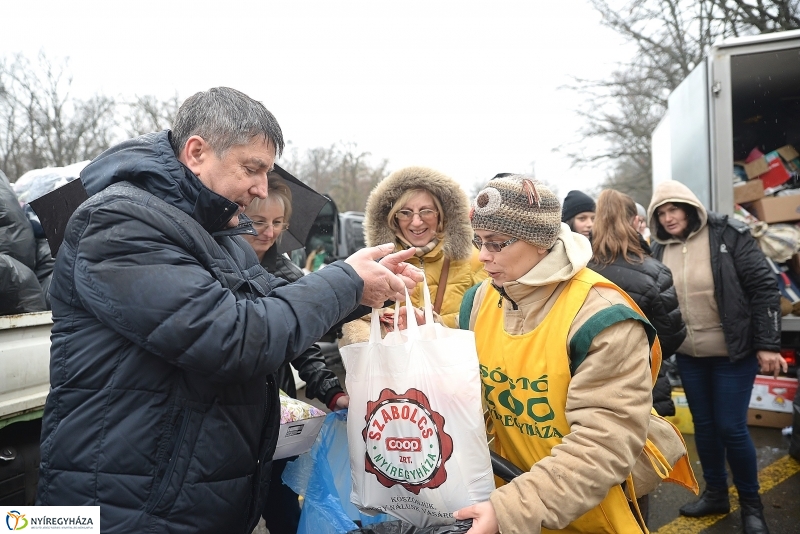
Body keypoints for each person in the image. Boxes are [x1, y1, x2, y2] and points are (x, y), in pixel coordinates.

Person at [35, 87, 422, 534]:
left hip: (184, 493)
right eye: (251, 169)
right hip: (128, 501)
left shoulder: (214, 229)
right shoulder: (120, 221)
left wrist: (361, 297)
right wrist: (345, 283)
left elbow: (269, 301)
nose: (261, 189)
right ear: (197, 152)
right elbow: (232, 338)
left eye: (267, 171)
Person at [452, 174, 654, 534]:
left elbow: (602, 446)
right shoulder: (481, 298)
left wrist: (512, 509)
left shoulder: (602, 317)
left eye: (497, 243)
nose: (482, 256)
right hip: (504, 501)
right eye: (479, 241)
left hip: (587, 511)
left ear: (541, 242)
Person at [648, 180, 786, 534]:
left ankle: (752, 506)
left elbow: (763, 287)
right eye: (661, 213)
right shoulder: (658, 248)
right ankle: (716, 494)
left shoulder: (728, 234)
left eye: (673, 209)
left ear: (689, 207)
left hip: (733, 353)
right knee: (705, 429)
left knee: (731, 427)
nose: (668, 217)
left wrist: (768, 343)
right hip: (691, 356)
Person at [242, 173, 349, 534]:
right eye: (258, 222)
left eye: (276, 223)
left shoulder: (289, 275)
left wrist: (331, 389)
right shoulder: (208, 266)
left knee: (283, 503)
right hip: (222, 409)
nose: (268, 232)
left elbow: (305, 346)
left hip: (276, 407)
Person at [587, 189, 687, 524]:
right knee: (636, 475)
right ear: (635, 221)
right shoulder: (654, 271)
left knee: (593, 471)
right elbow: (672, 335)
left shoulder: (580, 272)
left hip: (587, 387)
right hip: (641, 386)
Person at [340, 166, 485, 344]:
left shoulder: (475, 260)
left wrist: (433, 325)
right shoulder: (375, 265)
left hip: (451, 367)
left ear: (441, 215)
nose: (416, 222)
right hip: (393, 368)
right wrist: (382, 330)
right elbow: (352, 328)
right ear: (393, 218)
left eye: (426, 211)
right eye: (405, 213)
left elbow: (488, 319)